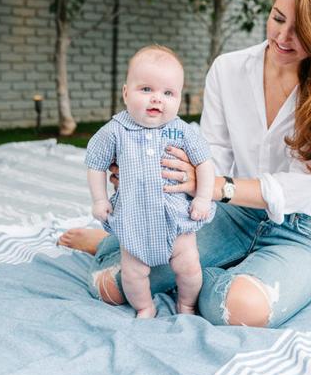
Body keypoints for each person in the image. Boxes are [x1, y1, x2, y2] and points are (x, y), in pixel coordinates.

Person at [60, 0, 311, 328]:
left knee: (237, 310)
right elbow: (211, 154)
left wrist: (213, 190)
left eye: (302, 29)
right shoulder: (228, 69)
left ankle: (223, 274)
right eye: (277, 18)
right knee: (113, 286)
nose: (282, 38)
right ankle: (118, 246)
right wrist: (152, 171)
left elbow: (302, 187)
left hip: (303, 231)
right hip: (232, 214)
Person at [85, 45, 215, 318]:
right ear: (125, 93)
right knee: (133, 274)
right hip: (134, 222)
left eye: (168, 93)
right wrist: (99, 199)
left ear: (179, 98)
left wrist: (202, 198)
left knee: (190, 267)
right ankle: (145, 307)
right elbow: (95, 163)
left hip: (177, 222)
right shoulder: (115, 131)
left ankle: (187, 304)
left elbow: (204, 163)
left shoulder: (182, 131)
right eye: (146, 90)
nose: (157, 99)